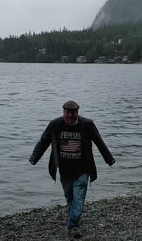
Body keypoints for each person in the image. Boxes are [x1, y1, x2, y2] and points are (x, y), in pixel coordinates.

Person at [29, 100, 115, 238]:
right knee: (70, 198)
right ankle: (73, 215)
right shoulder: (55, 125)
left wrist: (109, 159)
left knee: (79, 198)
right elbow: (43, 141)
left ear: (77, 112)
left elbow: (99, 142)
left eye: (73, 113)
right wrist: (34, 158)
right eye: (67, 113)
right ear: (63, 112)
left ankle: (73, 225)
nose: (70, 116)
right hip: (64, 170)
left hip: (82, 169)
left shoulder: (87, 124)